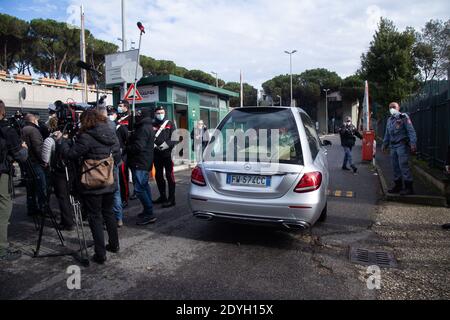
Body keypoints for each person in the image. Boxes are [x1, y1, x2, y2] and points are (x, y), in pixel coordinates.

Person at [59, 109, 121, 264]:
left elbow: (71, 154)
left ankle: (100, 254)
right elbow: (118, 156)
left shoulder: (85, 137)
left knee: (95, 217)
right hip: (108, 180)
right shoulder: (111, 134)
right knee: (109, 214)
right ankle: (114, 245)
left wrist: (63, 142)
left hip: (92, 183)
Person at [0, 100, 28, 261]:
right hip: (2, 173)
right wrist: (23, 148)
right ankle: (2, 249)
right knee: (4, 208)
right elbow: (21, 157)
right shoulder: (6, 130)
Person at [41, 116, 74, 231]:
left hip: (58, 172)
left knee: (62, 197)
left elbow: (45, 160)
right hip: (70, 170)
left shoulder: (50, 140)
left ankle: (68, 222)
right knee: (68, 196)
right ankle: (70, 219)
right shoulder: (71, 138)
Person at [127, 108, 156, 225]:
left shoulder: (143, 128)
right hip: (144, 161)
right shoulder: (146, 126)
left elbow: (138, 146)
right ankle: (148, 210)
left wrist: (126, 148)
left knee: (139, 189)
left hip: (140, 162)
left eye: (139, 115)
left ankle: (149, 213)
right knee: (144, 186)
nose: (136, 117)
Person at [382, 102, 417, 196]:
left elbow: (411, 131)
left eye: (394, 107)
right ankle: (398, 186)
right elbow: (387, 134)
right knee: (395, 167)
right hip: (393, 146)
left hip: (402, 145)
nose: (392, 109)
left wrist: (413, 144)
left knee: (403, 166)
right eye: (390, 107)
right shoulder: (389, 120)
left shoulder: (403, 117)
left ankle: (409, 187)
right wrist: (384, 145)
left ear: (398, 108)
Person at [22, 113, 47, 216]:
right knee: (41, 185)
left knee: (30, 186)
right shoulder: (34, 130)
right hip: (35, 162)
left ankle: (31, 208)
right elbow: (38, 148)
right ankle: (43, 208)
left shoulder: (23, 129)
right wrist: (44, 160)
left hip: (27, 161)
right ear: (33, 120)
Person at [153, 106, 178, 208]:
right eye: (158, 113)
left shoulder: (169, 123)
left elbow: (175, 138)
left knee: (169, 176)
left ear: (165, 113)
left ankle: (171, 199)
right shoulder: (152, 124)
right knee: (158, 176)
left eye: (162, 112)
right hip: (156, 154)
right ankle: (162, 196)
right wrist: (153, 145)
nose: (160, 114)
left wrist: (165, 145)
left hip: (167, 154)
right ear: (155, 114)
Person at [116, 101, 131, 207]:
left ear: (126, 107)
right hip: (115, 151)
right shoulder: (116, 119)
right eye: (119, 106)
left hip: (124, 152)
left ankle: (125, 197)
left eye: (121, 106)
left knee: (123, 176)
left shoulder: (130, 118)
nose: (119, 108)